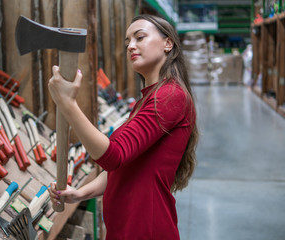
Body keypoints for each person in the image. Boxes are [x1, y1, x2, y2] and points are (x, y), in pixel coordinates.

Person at [48, 14, 199, 240]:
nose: (131, 46)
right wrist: (79, 193)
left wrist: (69, 105)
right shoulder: (147, 100)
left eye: (139, 37)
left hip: (146, 229)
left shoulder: (171, 96)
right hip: (125, 228)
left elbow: (113, 156)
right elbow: (122, 169)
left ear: (168, 44)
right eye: (127, 41)